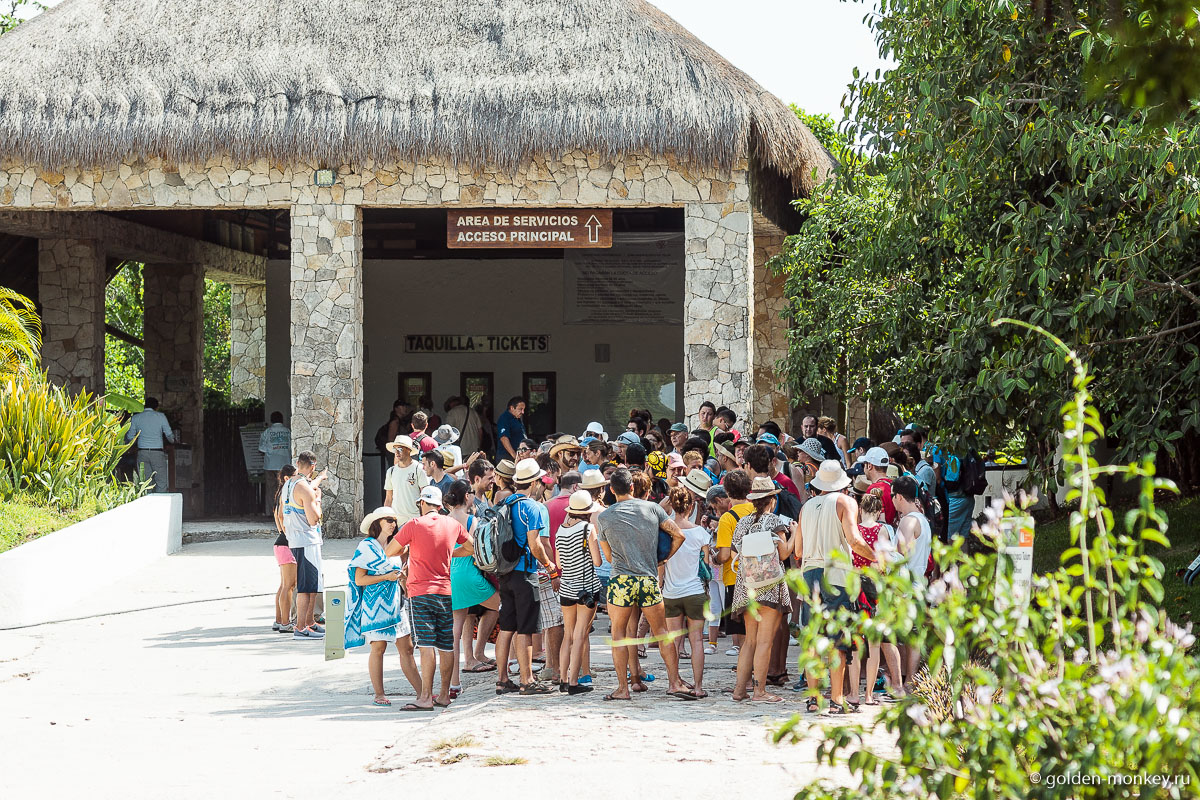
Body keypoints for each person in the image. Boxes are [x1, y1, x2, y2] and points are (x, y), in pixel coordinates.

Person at [595, 468, 689, 701]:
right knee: (662, 633)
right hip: (647, 578)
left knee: (619, 635)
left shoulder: (604, 517)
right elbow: (679, 535)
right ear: (633, 487)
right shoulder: (653, 509)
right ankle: (675, 682)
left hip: (621, 581)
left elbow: (608, 557)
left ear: (611, 490)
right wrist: (662, 558)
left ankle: (622, 689)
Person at [796, 460, 877, 713]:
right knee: (837, 639)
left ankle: (812, 699)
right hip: (835, 574)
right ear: (843, 483)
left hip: (808, 574)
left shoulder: (806, 507)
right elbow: (854, 539)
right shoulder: (845, 502)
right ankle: (837, 699)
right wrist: (876, 557)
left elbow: (798, 550)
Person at [389, 484, 471, 711]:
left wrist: (411, 549)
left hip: (420, 592)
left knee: (426, 646)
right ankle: (444, 695)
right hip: (445, 591)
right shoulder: (452, 524)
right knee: (446, 645)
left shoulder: (414, 525)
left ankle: (425, 697)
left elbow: (390, 551)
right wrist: (451, 552)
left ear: (423, 504)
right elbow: (472, 547)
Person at [345, 506, 421, 707]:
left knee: (407, 648)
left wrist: (401, 579)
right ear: (376, 523)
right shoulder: (366, 547)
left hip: (396, 601)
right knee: (379, 647)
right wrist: (385, 577)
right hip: (375, 604)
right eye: (388, 520)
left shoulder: (396, 547)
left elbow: (399, 574)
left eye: (394, 520)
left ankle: (423, 693)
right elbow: (360, 579)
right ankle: (379, 694)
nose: (393, 524)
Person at [727, 477, 793, 703]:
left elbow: (734, 553)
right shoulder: (775, 521)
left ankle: (739, 690)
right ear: (772, 500)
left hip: (747, 586)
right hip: (770, 587)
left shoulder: (742, 523)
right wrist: (795, 534)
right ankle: (759, 691)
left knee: (750, 641)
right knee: (765, 642)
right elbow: (783, 554)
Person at [494, 459, 557, 696]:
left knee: (507, 627)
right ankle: (527, 680)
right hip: (525, 573)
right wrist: (550, 566)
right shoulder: (534, 507)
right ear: (533, 482)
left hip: (505, 572)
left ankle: (502, 680)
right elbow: (535, 544)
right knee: (526, 629)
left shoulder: (504, 502)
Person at [845, 491, 904, 705]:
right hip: (876, 587)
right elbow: (885, 561)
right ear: (879, 512)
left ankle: (853, 693)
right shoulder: (882, 531)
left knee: (855, 643)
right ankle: (869, 694)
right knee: (874, 644)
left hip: (855, 586)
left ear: (860, 510)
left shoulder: (854, 531)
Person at [444, 480, 500, 692]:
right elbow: (478, 549)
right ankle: (510, 661)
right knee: (501, 606)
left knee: (455, 631)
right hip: (470, 572)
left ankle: (454, 681)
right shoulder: (471, 520)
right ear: (467, 496)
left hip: (451, 574)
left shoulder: (446, 520)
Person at [662, 486, 712, 698]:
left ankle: (674, 681)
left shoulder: (666, 531)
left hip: (671, 592)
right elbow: (707, 565)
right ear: (691, 507)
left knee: (673, 641)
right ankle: (698, 686)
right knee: (697, 641)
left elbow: (661, 564)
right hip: (694, 591)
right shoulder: (701, 533)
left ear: (672, 506)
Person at [555, 490, 604, 694]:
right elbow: (597, 561)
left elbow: (559, 563)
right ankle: (574, 682)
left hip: (566, 587)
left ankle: (563, 679)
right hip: (586, 588)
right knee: (580, 635)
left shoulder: (560, 530)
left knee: (568, 635)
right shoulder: (588, 529)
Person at [284, 451, 327, 639]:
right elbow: (313, 519)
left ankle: (309, 622)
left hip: (294, 539)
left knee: (311, 584)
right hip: (307, 540)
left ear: (297, 463)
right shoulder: (305, 489)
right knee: (307, 587)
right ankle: (300, 627)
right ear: (313, 466)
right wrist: (317, 501)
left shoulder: (289, 483)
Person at [714, 469, 752, 656]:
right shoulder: (756, 510)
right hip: (759, 576)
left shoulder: (727, 518)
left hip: (735, 578)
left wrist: (714, 558)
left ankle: (744, 676)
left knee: (743, 636)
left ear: (727, 492)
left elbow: (724, 555)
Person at [125, 397, 175, 493]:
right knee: (161, 481)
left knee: (145, 483)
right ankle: (161, 503)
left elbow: (130, 437)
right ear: (156, 407)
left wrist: (133, 445)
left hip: (142, 452)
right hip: (157, 453)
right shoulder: (161, 416)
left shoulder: (136, 418)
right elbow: (169, 434)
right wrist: (173, 441)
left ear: (145, 405)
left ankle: (147, 503)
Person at [270, 465, 298, 633]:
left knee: (284, 585)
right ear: (287, 478)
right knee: (289, 585)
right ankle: (285, 622)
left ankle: (279, 619)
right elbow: (280, 515)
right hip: (286, 543)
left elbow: (276, 516)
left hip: (281, 543)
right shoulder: (285, 493)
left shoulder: (280, 493)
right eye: (295, 476)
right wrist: (287, 532)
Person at [384, 435, 428, 525]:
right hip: (397, 520)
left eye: (400, 449)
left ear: (409, 450)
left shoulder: (419, 469)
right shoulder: (391, 471)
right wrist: (386, 519)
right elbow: (388, 498)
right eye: (395, 450)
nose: (397, 452)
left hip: (415, 519)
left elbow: (425, 496)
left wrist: (425, 519)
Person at [258, 411, 291, 515]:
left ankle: (271, 512)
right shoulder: (288, 431)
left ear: (271, 420)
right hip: (285, 465)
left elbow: (261, 449)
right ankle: (284, 512)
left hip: (270, 465)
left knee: (271, 489)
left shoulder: (267, 432)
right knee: (284, 489)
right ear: (282, 420)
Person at [859, 446, 897, 525]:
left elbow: (870, 523)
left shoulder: (873, 489)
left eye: (863, 465)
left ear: (869, 466)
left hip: (881, 534)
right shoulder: (894, 485)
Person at [495, 396, 528, 461]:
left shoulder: (517, 418)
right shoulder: (504, 418)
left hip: (518, 456)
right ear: (512, 408)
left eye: (524, 409)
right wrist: (515, 456)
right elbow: (504, 438)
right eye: (520, 409)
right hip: (507, 458)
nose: (523, 412)